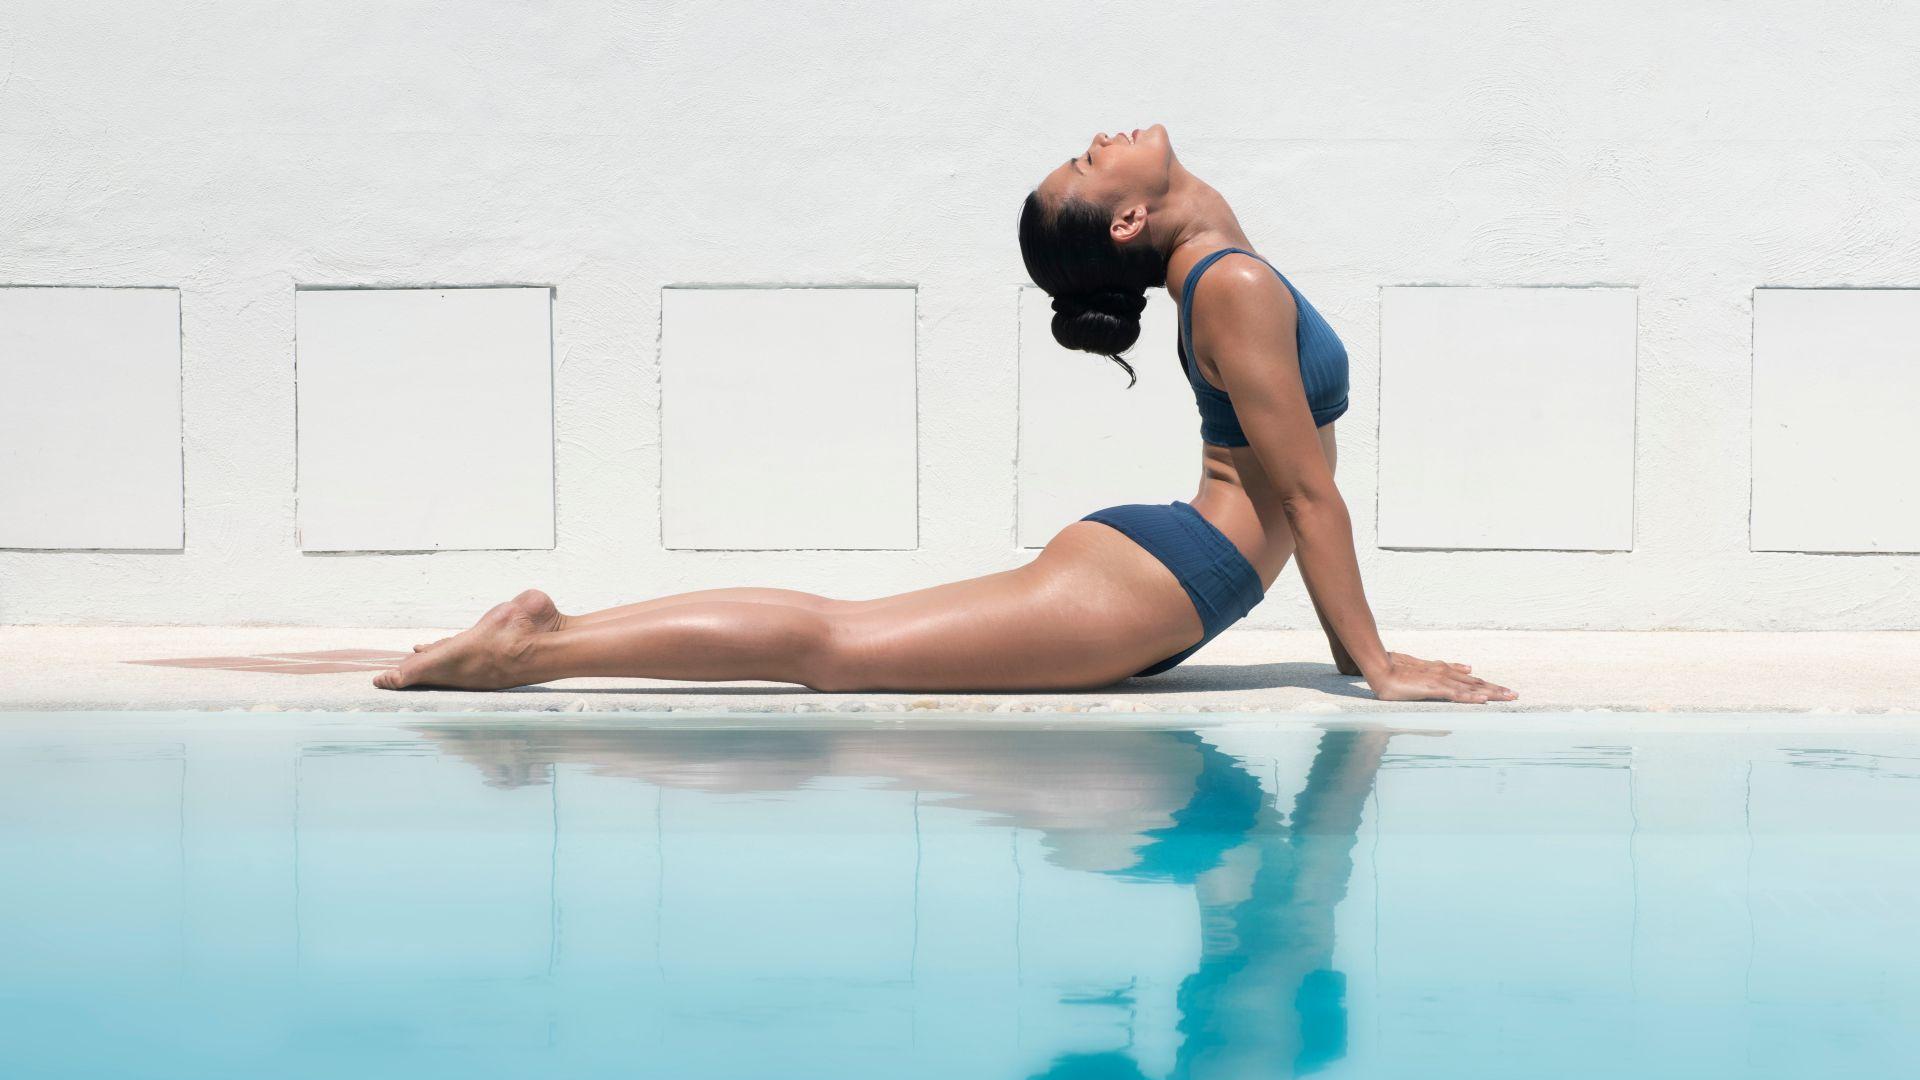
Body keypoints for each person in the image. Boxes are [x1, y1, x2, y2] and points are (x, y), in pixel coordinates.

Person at [374, 124, 1514, 703]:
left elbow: (1295, 484)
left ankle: (550, 635)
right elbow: (1306, 490)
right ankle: (535, 649)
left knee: (839, 632)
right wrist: (1372, 662)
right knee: (837, 650)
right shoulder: (1237, 284)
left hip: (1170, 562)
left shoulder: (1225, 274)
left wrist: (1352, 651)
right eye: (1086, 160)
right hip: (1171, 577)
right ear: (1126, 222)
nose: (1101, 138)